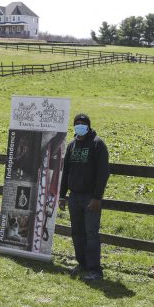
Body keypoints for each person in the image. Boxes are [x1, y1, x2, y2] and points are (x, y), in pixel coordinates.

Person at [59, 113, 110, 281]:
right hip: (74, 197)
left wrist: (97, 197)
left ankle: (95, 269)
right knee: (77, 232)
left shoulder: (97, 144)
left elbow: (103, 173)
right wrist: (61, 195)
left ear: (88, 126)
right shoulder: (72, 145)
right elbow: (66, 172)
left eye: (82, 124)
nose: (79, 126)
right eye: (77, 124)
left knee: (91, 233)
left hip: (90, 198)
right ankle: (82, 264)